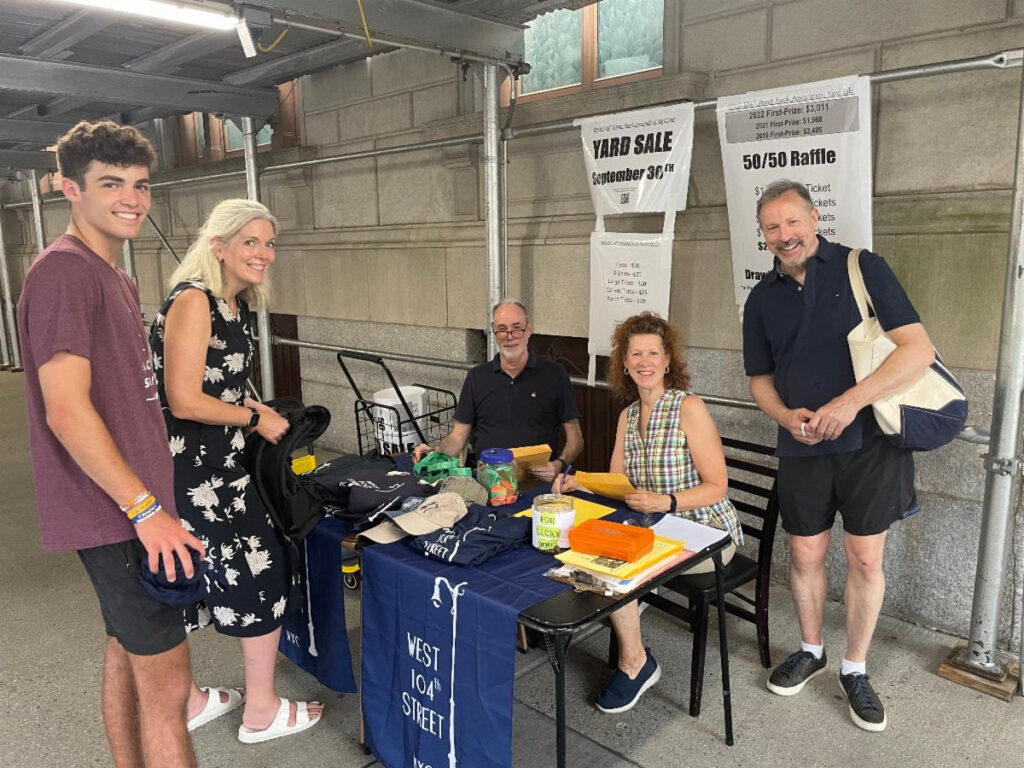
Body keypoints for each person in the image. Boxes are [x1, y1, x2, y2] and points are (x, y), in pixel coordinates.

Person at [16, 120, 205, 767]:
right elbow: (66, 410)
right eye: (110, 184)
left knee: (127, 651)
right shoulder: (64, 274)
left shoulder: (113, 277)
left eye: (140, 184)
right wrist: (147, 513)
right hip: (117, 514)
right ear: (69, 188)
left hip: (130, 508)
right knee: (171, 692)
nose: (131, 198)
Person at [743, 180, 934, 732]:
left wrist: (849, 404)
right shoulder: (762, 297)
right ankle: (811, 649)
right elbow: (759, 378)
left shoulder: (861, 267)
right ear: (764, 235)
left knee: (865, 559)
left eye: (792, 222)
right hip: (801, 449)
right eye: (772, 227)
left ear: (813, 218)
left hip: (870, 444)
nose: (784, 235)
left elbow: (917, 349)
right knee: (803, 556)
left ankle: (855, 668)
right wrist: (785, 417)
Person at [149, 198, 323, 743]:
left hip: (218, 460)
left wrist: (256, 414)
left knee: (194, 577)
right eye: (251, 241)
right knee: (261, 571)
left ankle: (193, 702)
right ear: (217, 246)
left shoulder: (230, 305)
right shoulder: (195, 301)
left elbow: (214, 385)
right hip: (200, 470)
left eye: (270, 243)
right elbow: (182, 399)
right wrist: (254, 416)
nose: (264, 254)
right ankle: (261, 712)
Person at [554, 312, 743, 713]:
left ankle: (635, 663)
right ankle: (630, 636)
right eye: (635, 353)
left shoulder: (687, 407)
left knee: (617, 566)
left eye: (652, 353)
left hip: (705, 531)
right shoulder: (627, 415)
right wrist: (578, 482)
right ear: (624, 362)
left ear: (668, 360)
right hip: (655, 527)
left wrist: (666, 502)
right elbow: (618, 482)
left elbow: (718, 487)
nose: (644, 361)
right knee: (590, 551)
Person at [412, 298, 583, 480]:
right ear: (494, 333)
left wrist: (559, 465)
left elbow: (576, 439)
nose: (509, 336)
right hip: (488, 484)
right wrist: (433, 452)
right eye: (502, 329)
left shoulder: (554, 374)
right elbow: (457, 438)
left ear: (529, 330)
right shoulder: (477, 378)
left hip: (537, 485)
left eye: (516, 328)